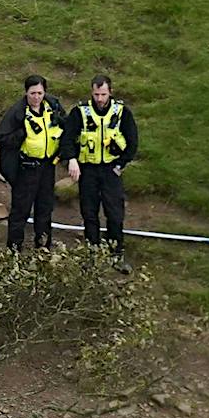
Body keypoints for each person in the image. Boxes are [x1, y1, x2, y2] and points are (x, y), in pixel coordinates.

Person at [64, 73, 139, 270]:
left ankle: (116, 254)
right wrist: (72, 160)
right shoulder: (80, 112)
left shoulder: (122, 112)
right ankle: (92, 254)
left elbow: (133, 142)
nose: (99, 99)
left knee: (115, 214)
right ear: (91, 92)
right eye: (96, 94)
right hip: (87, 169)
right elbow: (67, 138)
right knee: (89, 213)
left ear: (110, 92)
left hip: (110, 170)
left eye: (103, 94)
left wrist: (120, 165)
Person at [0, 74, 65, 254]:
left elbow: (67, 127)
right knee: (20, 212)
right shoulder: (17, 112)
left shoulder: (53, 107)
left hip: (48, 167)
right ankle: (14, 252)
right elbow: (1, 138)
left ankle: (43, 249)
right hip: (26, 169)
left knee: (45, 209)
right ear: (26, 92)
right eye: (32, 93)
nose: (36, 97)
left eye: (40, 93)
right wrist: (21, 134)